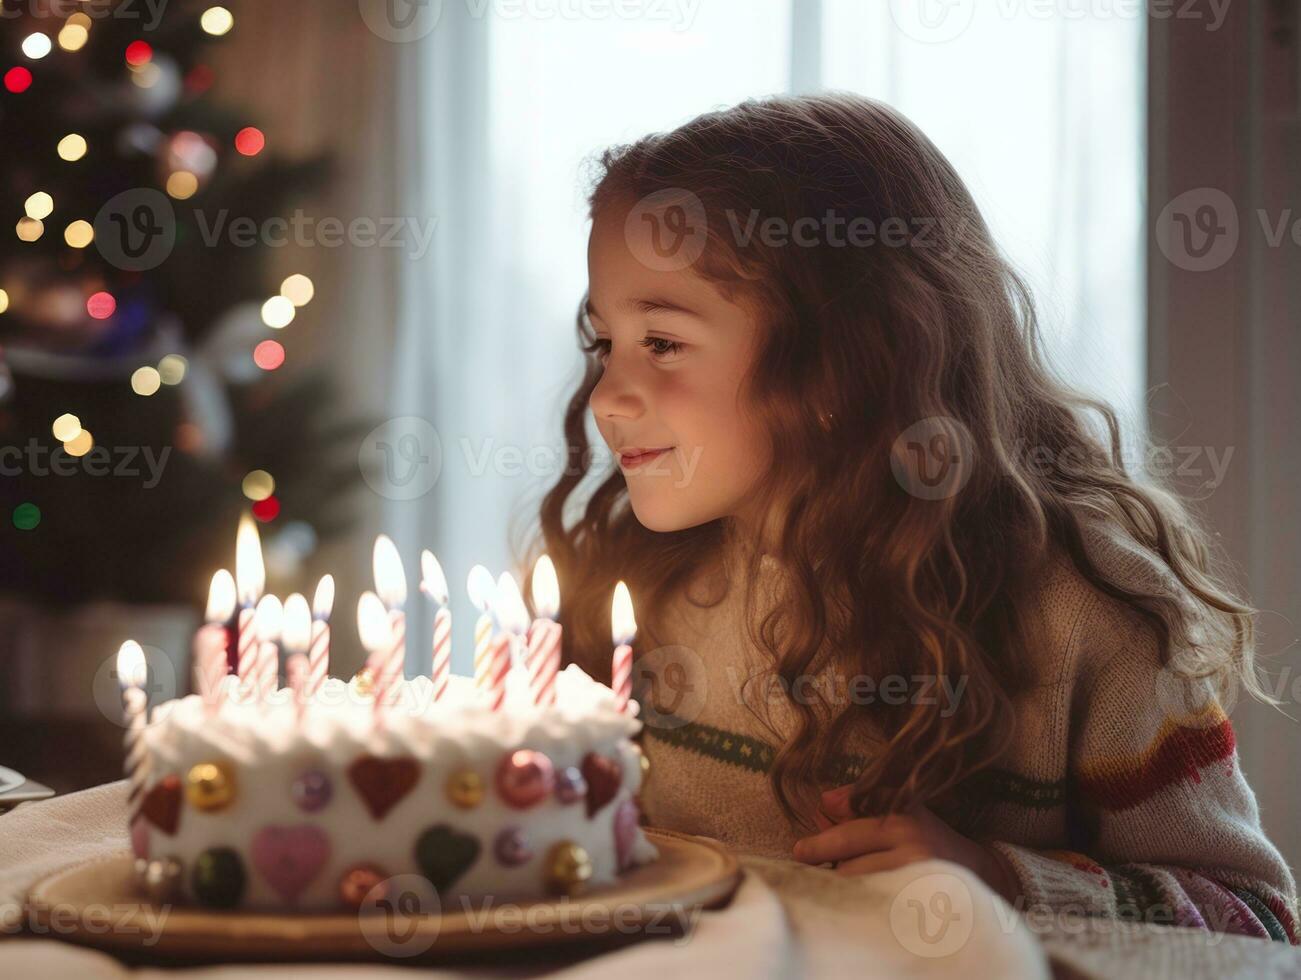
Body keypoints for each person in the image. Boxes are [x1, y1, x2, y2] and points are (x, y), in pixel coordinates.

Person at [523, 92, 1297, 941]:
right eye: (605, 345)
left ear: (847, 357)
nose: (605, 399)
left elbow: (1255, 922)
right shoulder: (636, 580)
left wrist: (992, 876)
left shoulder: (1084, 614)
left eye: (662, 343)